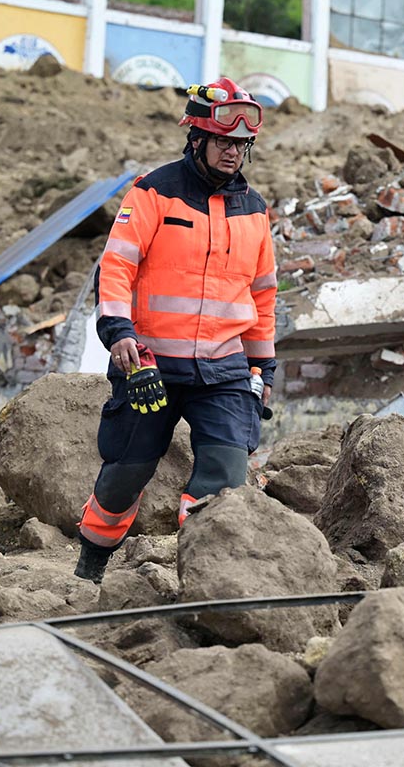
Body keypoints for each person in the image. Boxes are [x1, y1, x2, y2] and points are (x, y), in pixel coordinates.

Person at [73, 76, 277, 584]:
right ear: (197, 139)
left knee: (226, 479)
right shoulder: (152, 192)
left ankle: (201, 581)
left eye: (241, 145)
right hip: (149, 364)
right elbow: (115, 267)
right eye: (224, 142)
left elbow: (263, 296)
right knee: (125, 474)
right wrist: (118, 332)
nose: (233, 153)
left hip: (225, 370)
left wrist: (262, 366)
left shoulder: (255, 212)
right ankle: (91, 564)